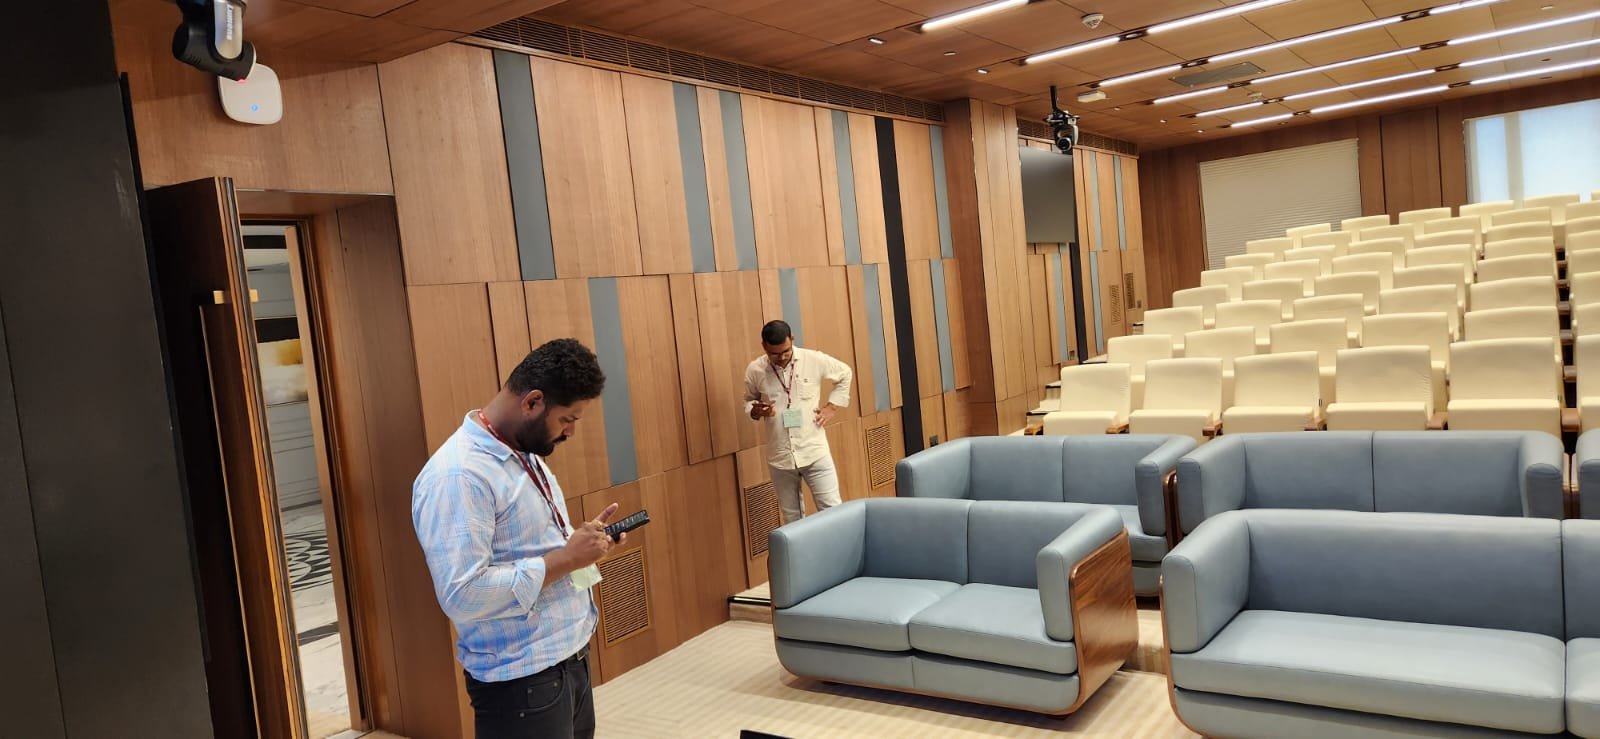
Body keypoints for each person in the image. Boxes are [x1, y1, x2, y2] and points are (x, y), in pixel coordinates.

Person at [412, 338, 618, 739]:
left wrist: (582, 549)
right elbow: (463, 594)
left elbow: (534, 549)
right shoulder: (459, 475)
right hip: (522, 682)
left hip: (568, 658)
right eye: (567, 419)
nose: (571, 431)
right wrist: (566, 559)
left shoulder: (522, 451)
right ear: (532, 402)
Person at [744, 320, 853, 524]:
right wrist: (755, 410)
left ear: (792, 339)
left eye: (786, 351)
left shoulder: (813, 359)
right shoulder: (755, 370)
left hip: (814, 451)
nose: (782, 357)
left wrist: (832, 406)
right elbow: (749, 400)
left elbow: (845, 373)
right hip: (780, 456)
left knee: (833, 512)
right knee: (792, 519)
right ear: (764, 346)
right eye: (774, 354)